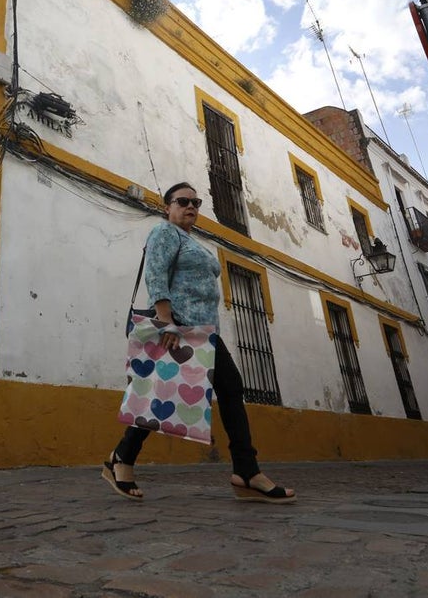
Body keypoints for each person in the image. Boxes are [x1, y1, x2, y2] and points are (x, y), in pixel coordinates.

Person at [101, 182, 296, 503]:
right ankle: (245, 471)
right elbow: (155, 274)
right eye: (183, 201)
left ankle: (124, 456)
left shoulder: (191, 241)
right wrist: (167, 321)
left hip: (203, 332)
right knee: (165, 393)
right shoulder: (165, 233)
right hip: (178, 326)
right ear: (168, 207)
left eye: (196, 202)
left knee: (178, 392)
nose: (191, 206)